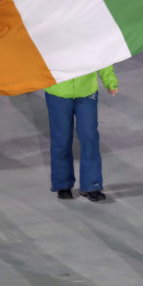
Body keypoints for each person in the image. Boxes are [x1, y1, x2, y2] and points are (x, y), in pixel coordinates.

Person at [45, 67, 118, 202]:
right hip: (57, 92)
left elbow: (101, 56)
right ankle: (62, 184)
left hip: (86, 92)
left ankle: (92, 185)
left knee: (89, 137)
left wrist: (110, 81)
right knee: (61, 138)